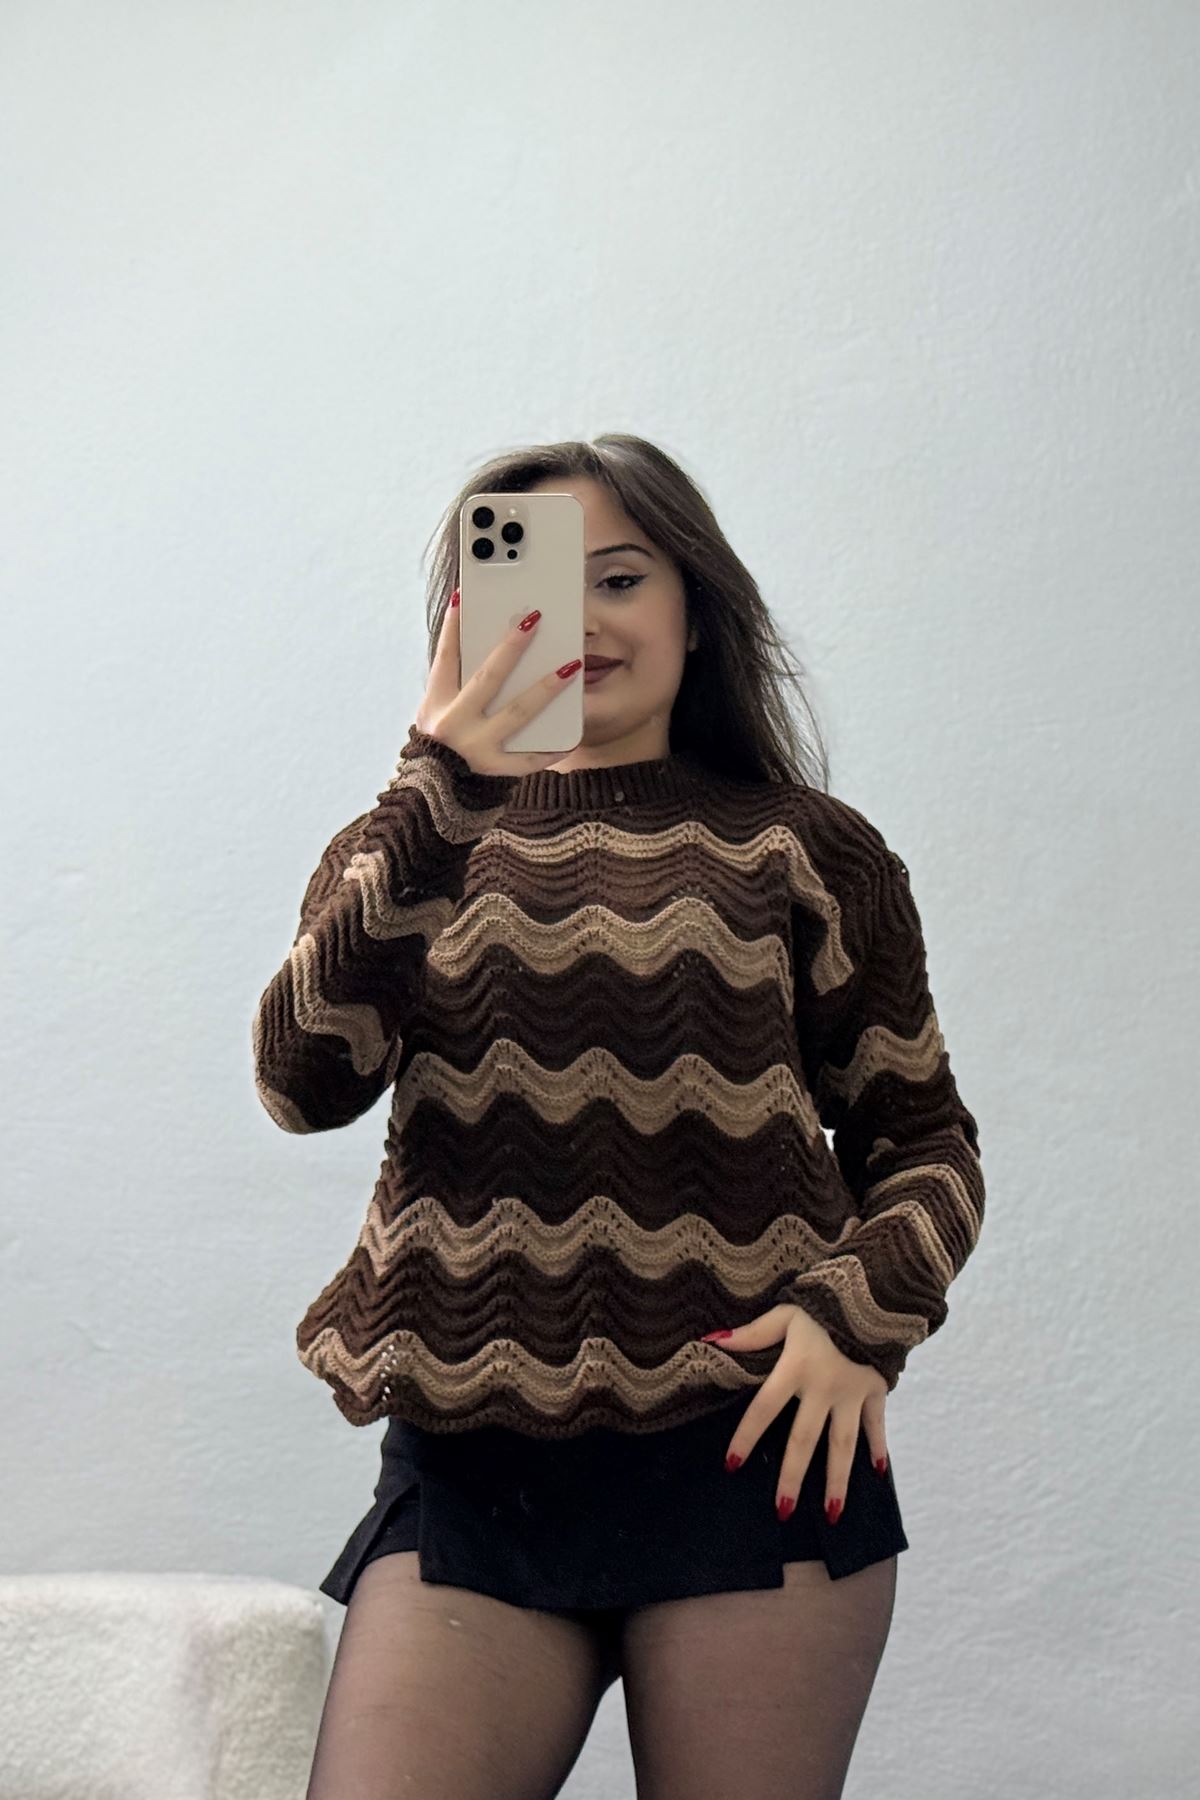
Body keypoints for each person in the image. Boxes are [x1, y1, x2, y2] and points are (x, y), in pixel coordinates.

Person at [252, 434, 985, 1799]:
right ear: (470, 616)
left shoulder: (808, 851)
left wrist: (860, 1317)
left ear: (697, 613)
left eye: (624, 577)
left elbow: (926, 1140)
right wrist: (437, 784)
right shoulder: (402, 846)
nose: (583, 618)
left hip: (749, 1457)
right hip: (475, 1472)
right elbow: (303, 1081)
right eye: (537, 580)